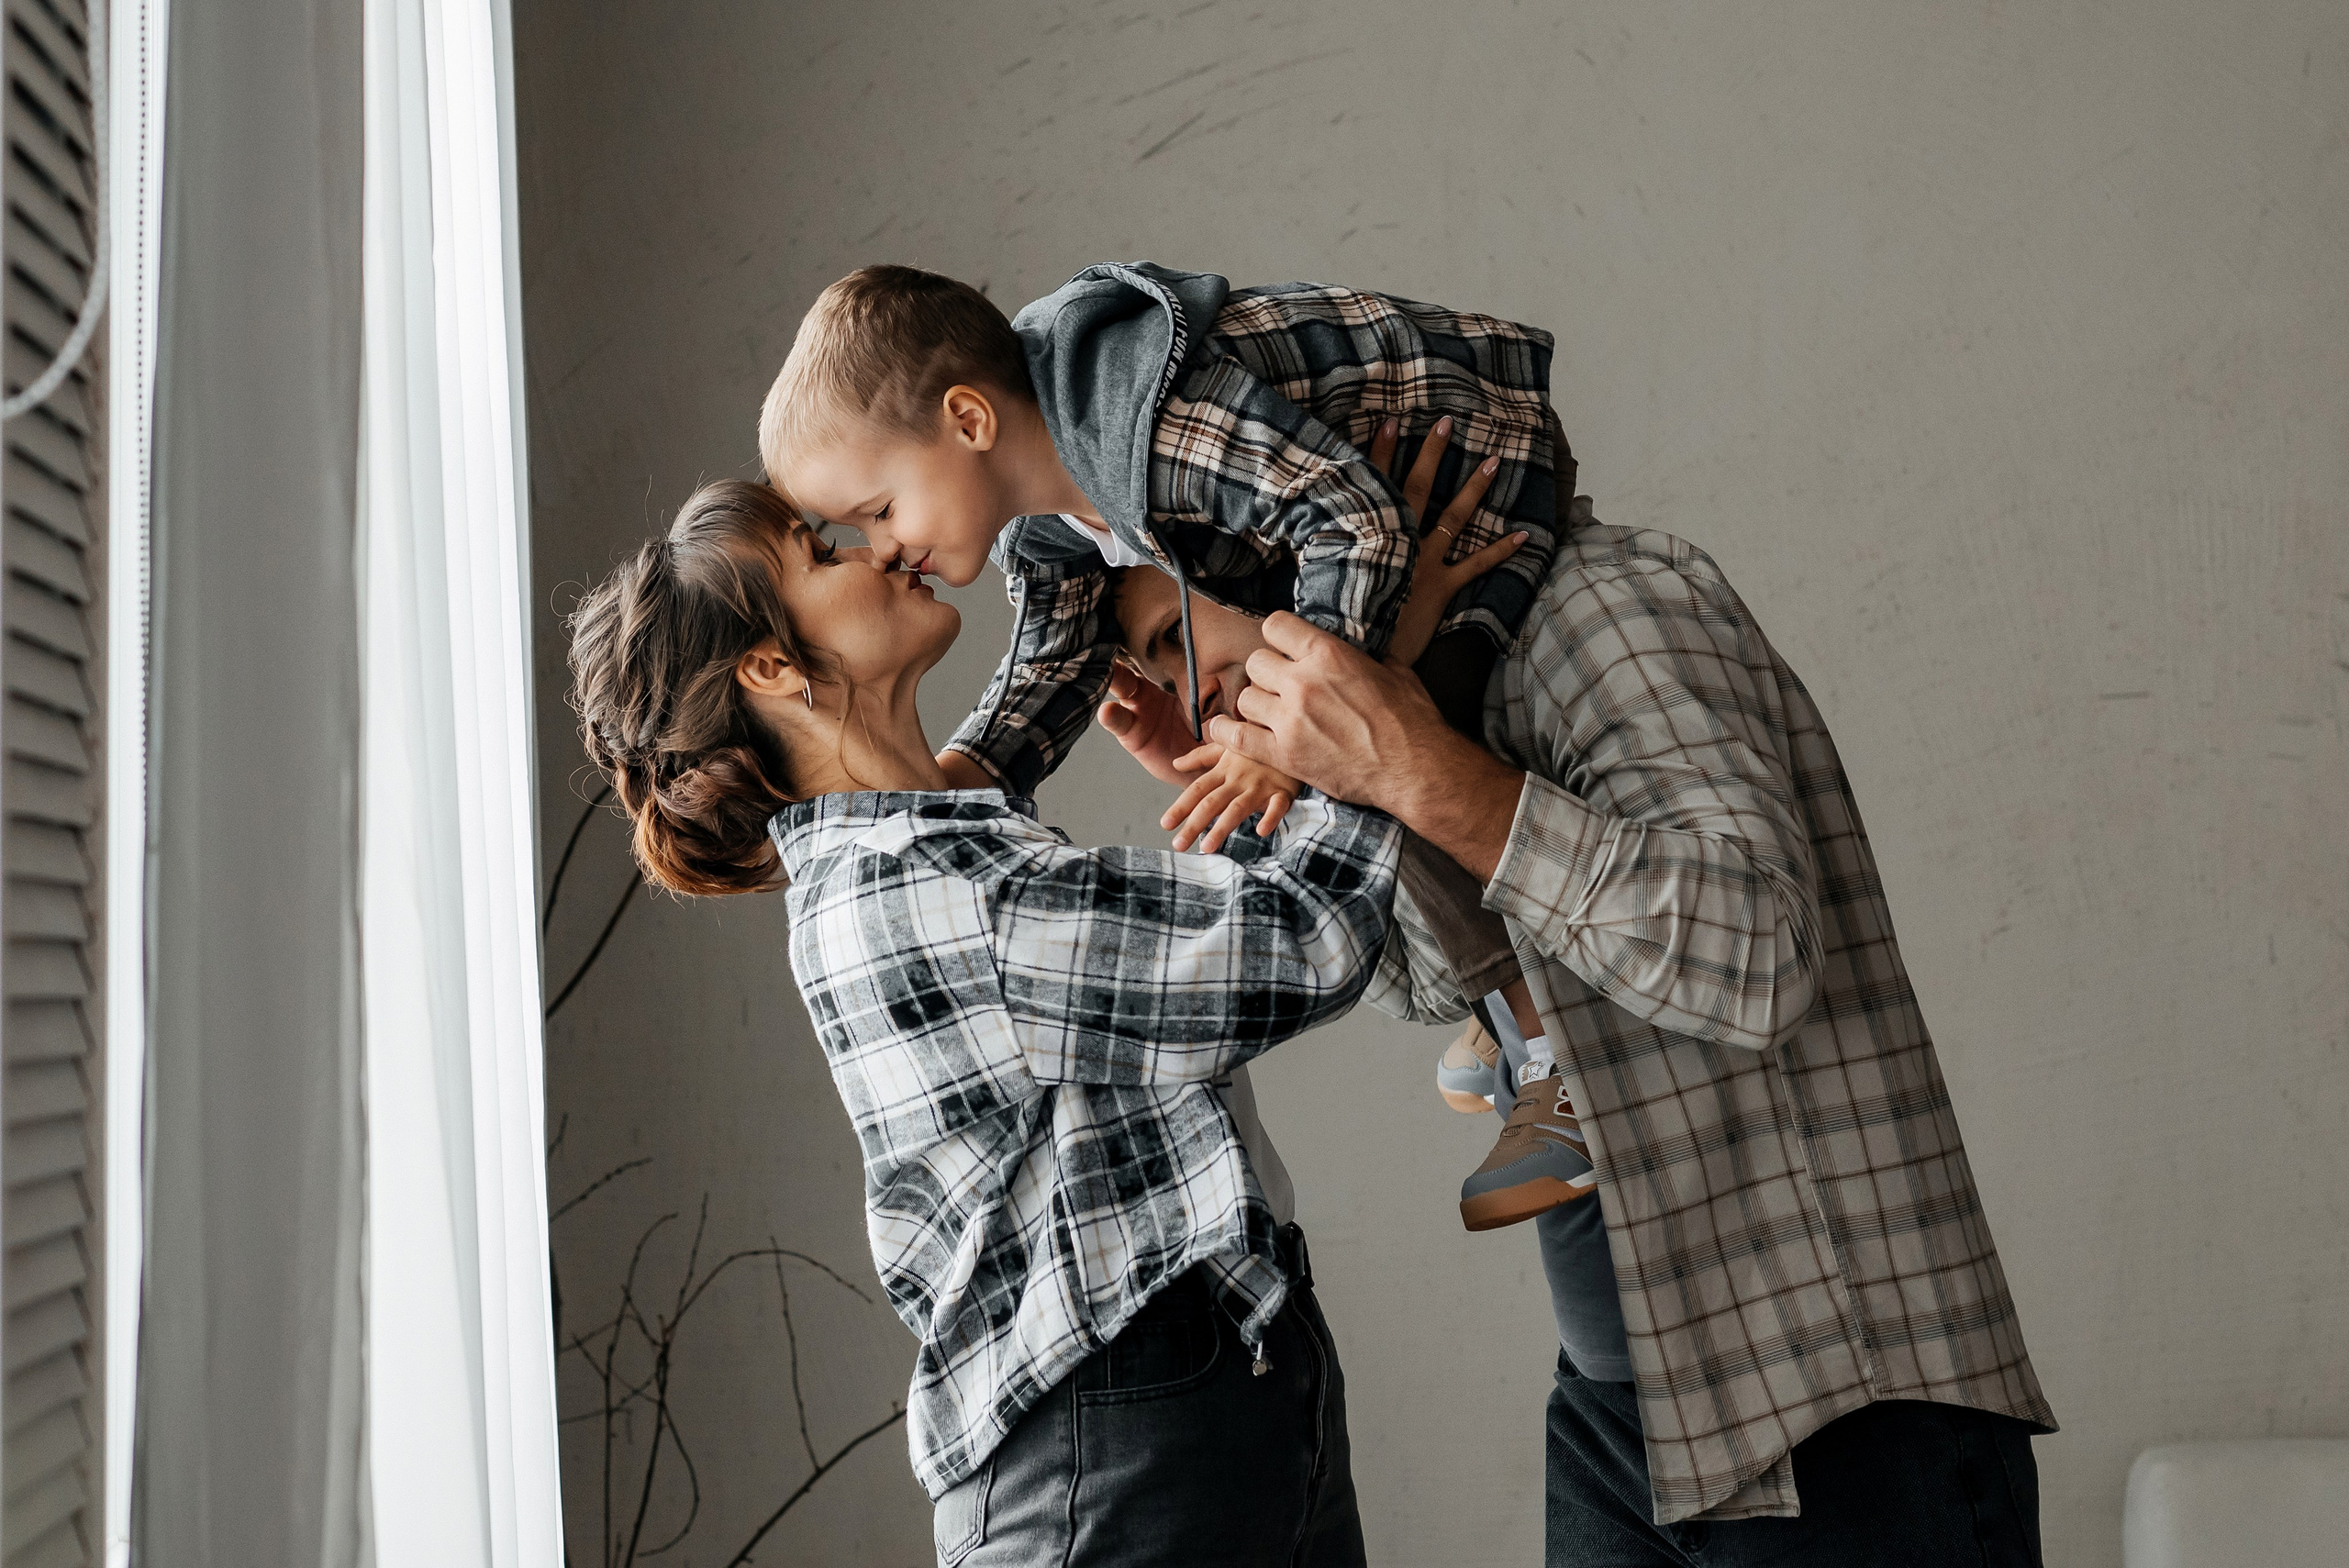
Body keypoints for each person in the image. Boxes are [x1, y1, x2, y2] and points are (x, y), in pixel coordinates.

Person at [1128, 503, 2061, 1562]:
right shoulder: (1427, 699)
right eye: (1154, 670)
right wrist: (1283, 794)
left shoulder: (1601, 604)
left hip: (1833, 1405)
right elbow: (1422, 983)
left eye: (1173, 638)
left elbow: (1759, 956)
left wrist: (1410, 767)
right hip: (1621, 1407)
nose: (1185, 686)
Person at [563, 478, 1406, 1567]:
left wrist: (1032, 456)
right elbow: (1307, 938)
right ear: (771, 669)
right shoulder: (919, 887)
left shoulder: (929, 834)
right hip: (1116, 1450)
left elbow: (1054, 637)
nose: (875, 547)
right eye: (822, 553)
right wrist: (1370, 670)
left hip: (1204, 1400)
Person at [759, 261, 1589, 1228]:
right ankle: (1512, 1001)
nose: (880, 548)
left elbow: (1352, 518)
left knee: (1366, 754)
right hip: (1355, 524)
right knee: (1339, 762)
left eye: (878, 509)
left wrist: (1286, 739)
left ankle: (1546, 1042)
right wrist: (953, 787)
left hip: (1462, 465)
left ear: (968, 420)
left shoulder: (1134, 420)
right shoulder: (1052, 518)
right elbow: (1053, 664)